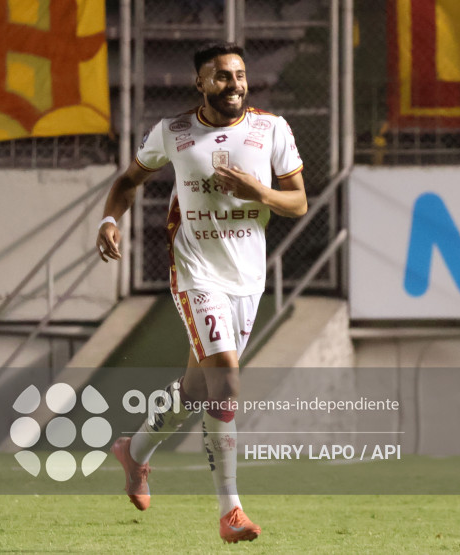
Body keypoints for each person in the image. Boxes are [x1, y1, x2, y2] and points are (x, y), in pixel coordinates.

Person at [96, 42, 306, 544]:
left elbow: (297, 202)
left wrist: (259, 193)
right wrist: (109, 218)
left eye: (239, 76)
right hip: (196, 275)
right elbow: (129, 180)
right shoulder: (174, 132)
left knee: (195, 391)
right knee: (227, 384)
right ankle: (230, 510)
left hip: (246, 279)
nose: (233, 85)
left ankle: (135, 451)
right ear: (200, 84)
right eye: (221, 78)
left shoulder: (270, 129)